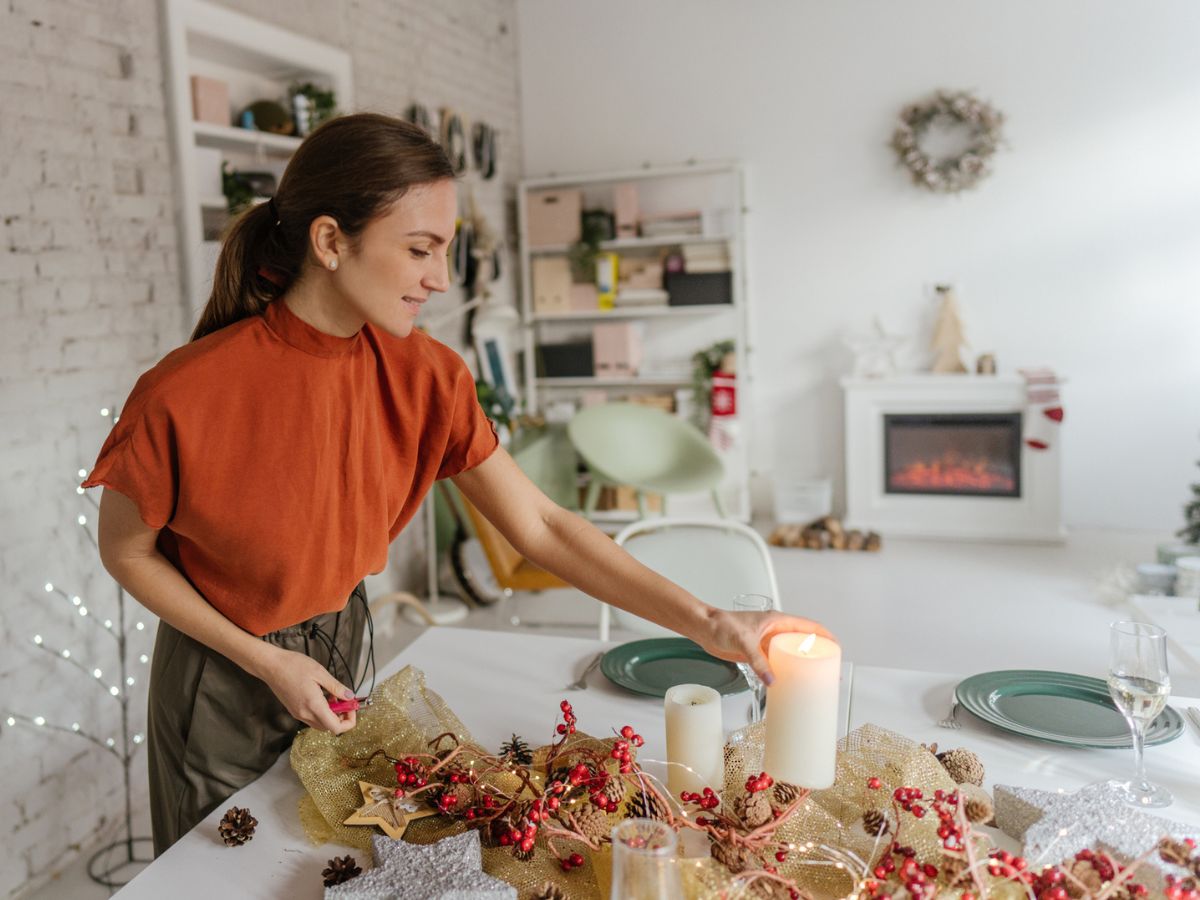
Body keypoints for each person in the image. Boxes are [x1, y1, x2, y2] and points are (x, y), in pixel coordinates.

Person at [85, 113, 832, 855]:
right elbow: (128, 552)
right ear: (330, 241)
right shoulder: (186, 391)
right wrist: (265, 660)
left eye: (446, 250)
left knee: (326, 859)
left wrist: (709, 624)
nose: (440, 279)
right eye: (419, 250)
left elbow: (541, 527)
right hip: (219, 674)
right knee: (220, 871)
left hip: (342, 643)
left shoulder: (427, 375)